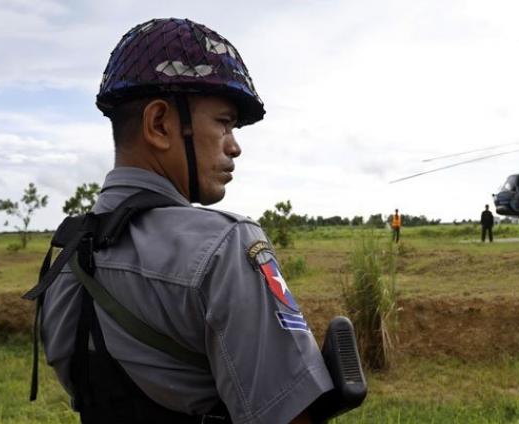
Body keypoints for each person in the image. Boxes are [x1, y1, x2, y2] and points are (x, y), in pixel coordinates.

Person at [31, 18, 333, 424]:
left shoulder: (65, 258)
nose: (235, 146)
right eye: (224, 122)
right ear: (159, 125)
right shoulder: (226, 247)